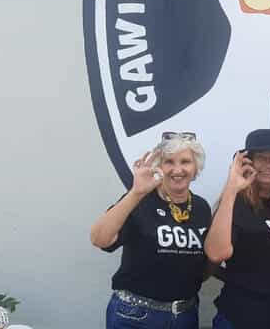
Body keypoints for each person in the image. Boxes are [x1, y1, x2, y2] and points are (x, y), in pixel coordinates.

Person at [90, 132, 213, 329]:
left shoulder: (201, 207)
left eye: (185, 161)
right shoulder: (141, 200)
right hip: (135, 316)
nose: (177, 169)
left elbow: (204, 263)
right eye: (169, 162)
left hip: (184, 316)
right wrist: (136, 192)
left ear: (196, 166)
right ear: (159, 167)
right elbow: (99, 239)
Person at [204, 129, 270, 329]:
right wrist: (232, 188)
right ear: (248, 163)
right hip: (239, 318)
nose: (268, 165)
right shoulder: (234, 205)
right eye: (261, 158)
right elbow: (215, 254)